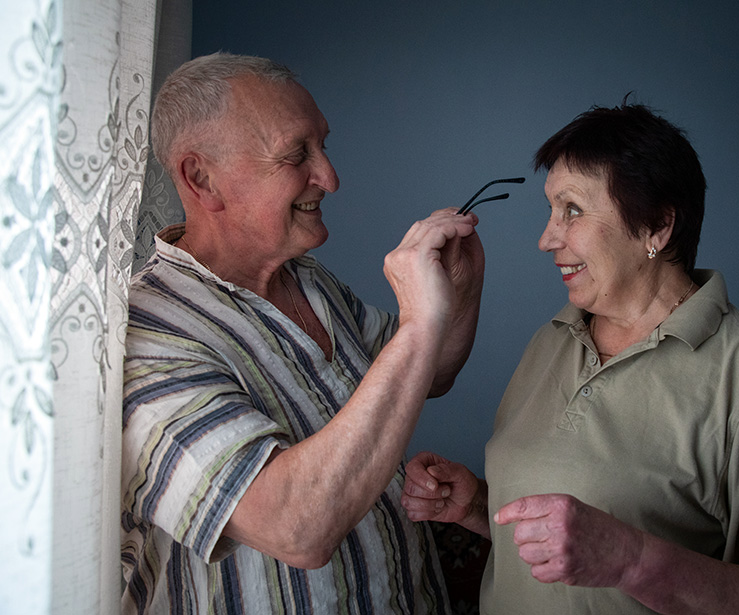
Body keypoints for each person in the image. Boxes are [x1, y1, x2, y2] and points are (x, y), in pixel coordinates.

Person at [401, 103, 739, 614]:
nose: (546, 240)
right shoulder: (552, 339)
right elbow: (563, 546)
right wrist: (476, 503)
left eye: (573, 210)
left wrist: (632, 560)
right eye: (550, 210)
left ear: (656, 225)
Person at [121, 52, 484, 614]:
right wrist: (419, 322)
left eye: (324, 145)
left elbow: (426, 374)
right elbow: (296, 529)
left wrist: (457, 290)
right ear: (201, 178)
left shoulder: (309, 281)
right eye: (297, 155)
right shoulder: (147, 330)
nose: (330, 178)